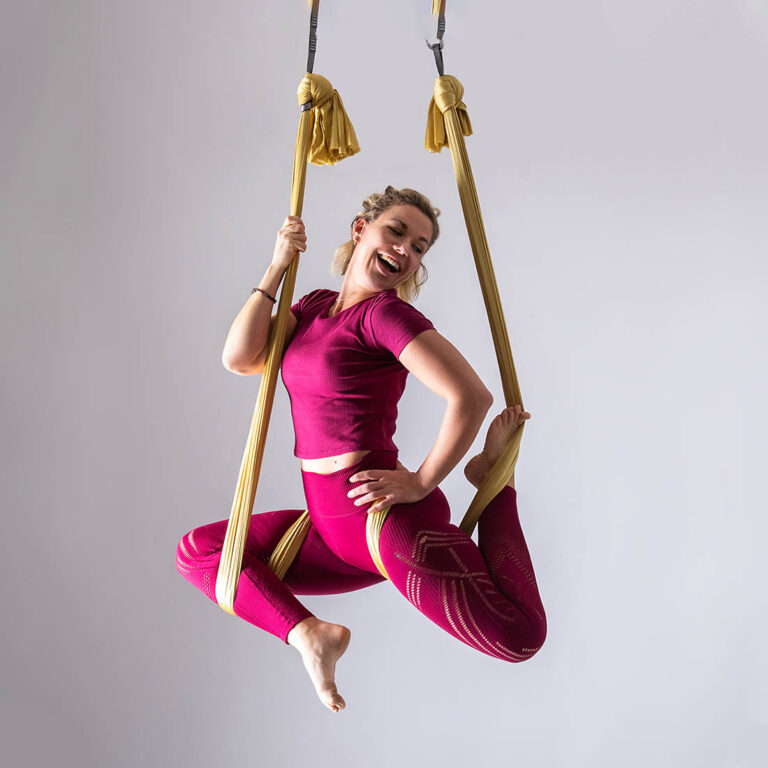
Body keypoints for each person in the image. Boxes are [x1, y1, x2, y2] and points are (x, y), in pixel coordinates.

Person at [176, 186, 546, 713]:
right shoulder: (313, 307)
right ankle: (310, 635)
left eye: (419, 247)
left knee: (519, 637)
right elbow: (240, 358)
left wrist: (420, 482)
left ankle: (495, 485)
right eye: (397, 232)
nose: (405, 250)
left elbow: (471, 395)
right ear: (360, 230)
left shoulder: (386, 317)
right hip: (330, 527)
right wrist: (277, 266)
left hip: (383, 521)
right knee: (201, 555)